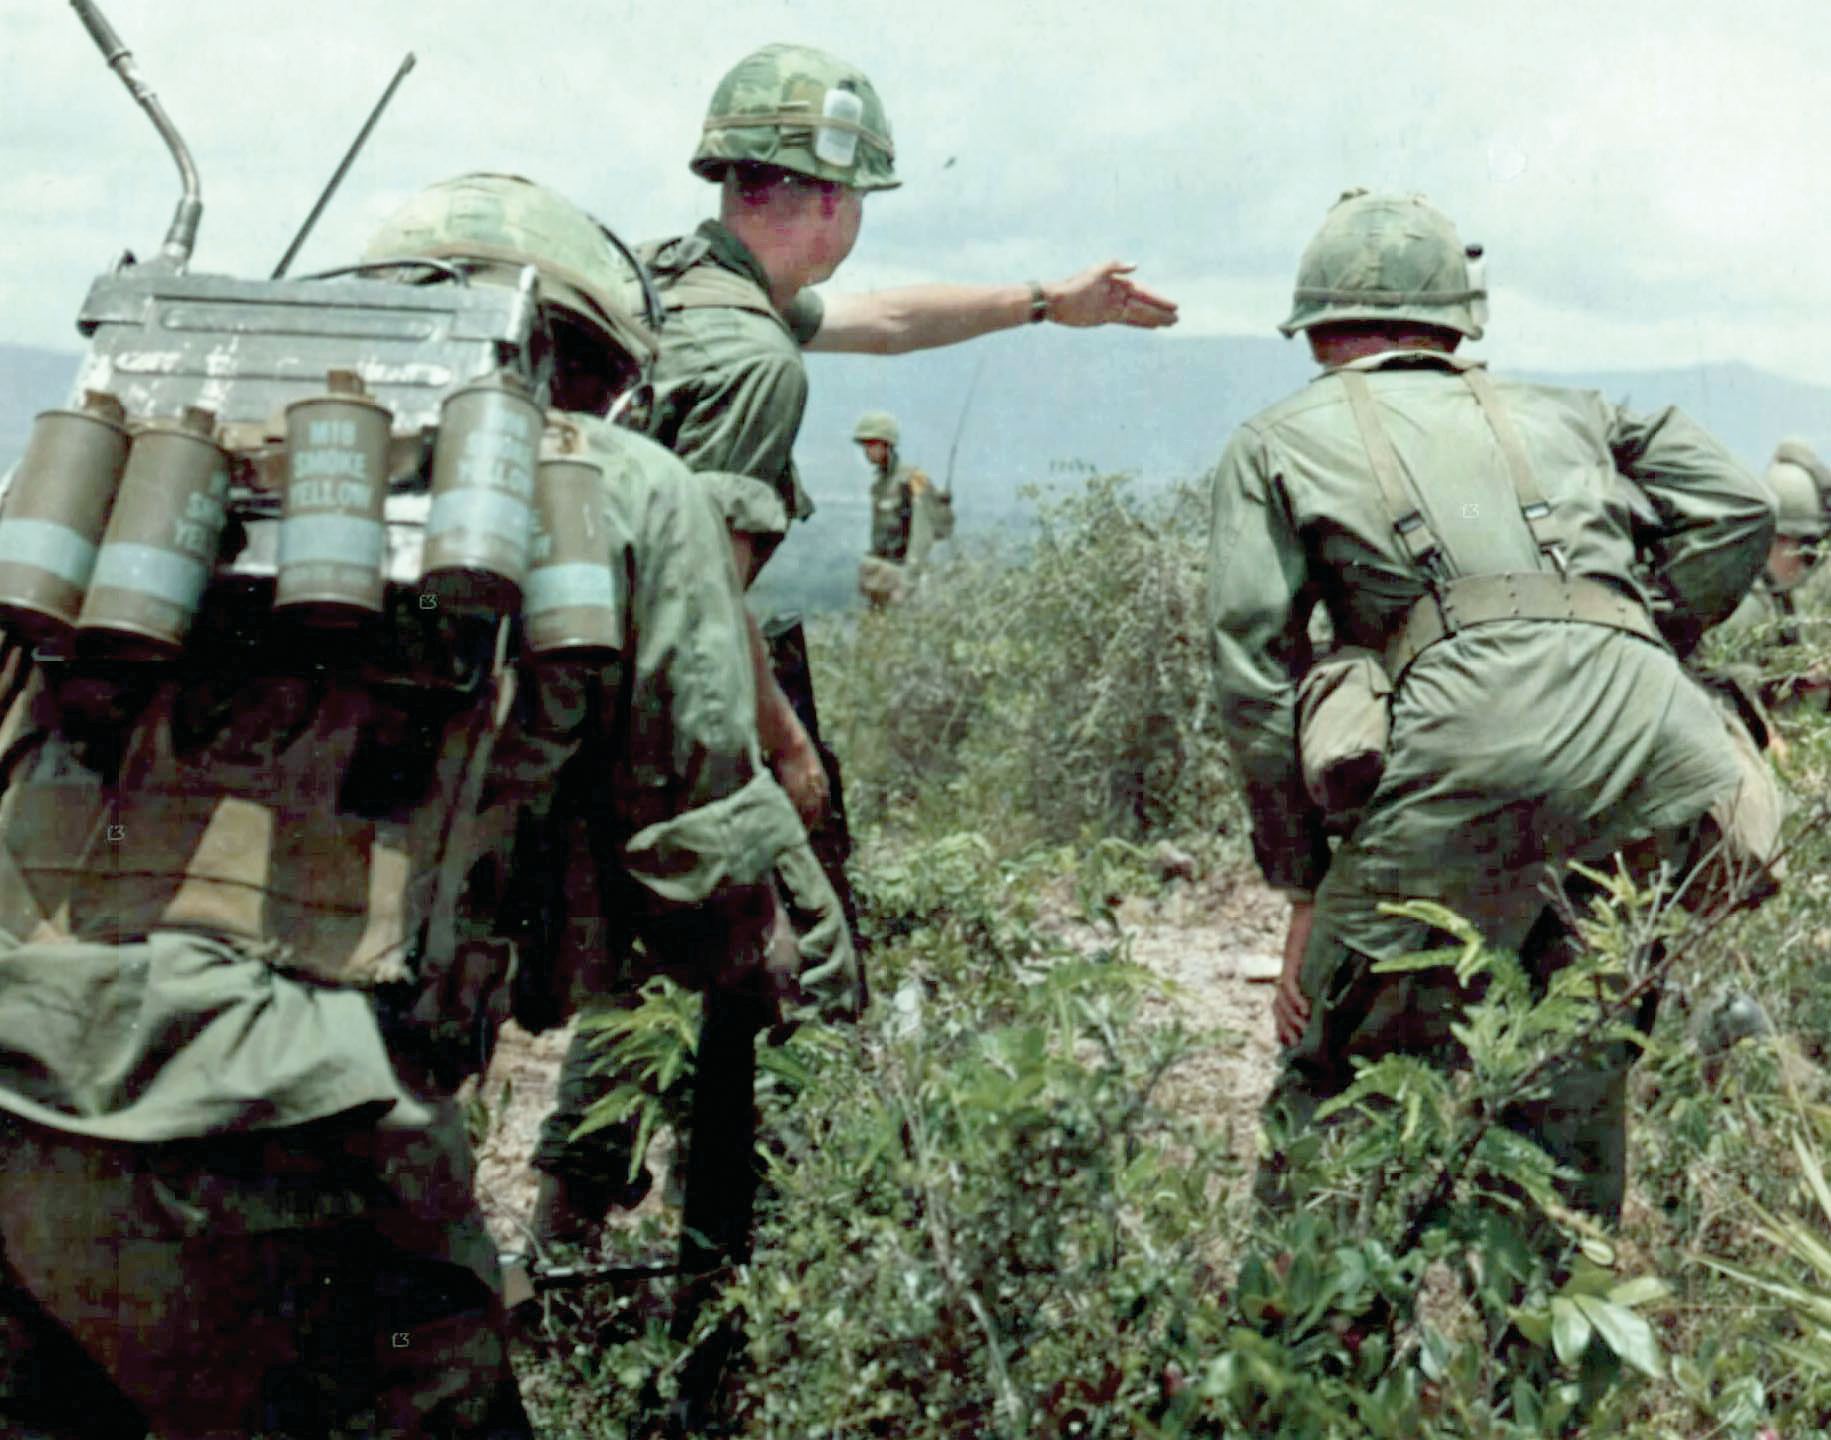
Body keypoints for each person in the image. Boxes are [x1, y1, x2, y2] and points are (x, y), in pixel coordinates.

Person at [0, 171, 837, 1439]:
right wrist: (790, 965)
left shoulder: (148, 474)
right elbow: (697, 858)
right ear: (594, 364)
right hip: (304, 1113)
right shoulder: (618, 481)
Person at [533, 40, 1180, 1250]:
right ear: (831, 200)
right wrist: (787, 755)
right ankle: (737, 1274)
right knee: (784, 972)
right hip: (675, 712)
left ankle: (575, 1248)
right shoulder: (752, 362)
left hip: (585, 691)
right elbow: (703, 600)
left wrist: (1046, 301)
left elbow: (879, 319)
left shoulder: (672, 287)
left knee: (647, 970)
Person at [1206, 189, 1774, 1231]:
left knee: (1341, 1085)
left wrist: (1302, 891)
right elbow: (1739, 506)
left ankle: (1308, 1369)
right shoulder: (1573, 412)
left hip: (1459, 763)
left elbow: (1253, 675)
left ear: (1320, 329)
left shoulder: (1278, 441)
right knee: (1574, 1082)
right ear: (1456, 324)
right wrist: (1631, 627)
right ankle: (1547, 1373)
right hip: (1648, 756)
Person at [1708, 451, 1831, 717]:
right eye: (1803, 546)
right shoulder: (1746, 607)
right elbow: (1721, 693)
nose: (1804, 561)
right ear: (1775, 539)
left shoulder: (1776, 598)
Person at [854, 409, 947, 606]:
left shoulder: (913, 479)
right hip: (882, 578)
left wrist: (908, 583)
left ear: (887, 444)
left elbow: (922, 536)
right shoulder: (880, 483)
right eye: (865, 445)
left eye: (872, 444)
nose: (867, 451)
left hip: (903, 580)